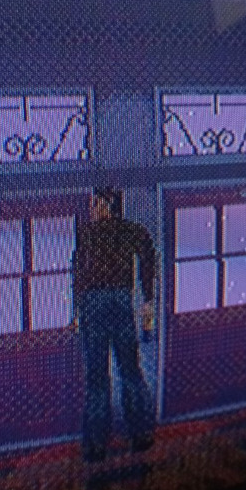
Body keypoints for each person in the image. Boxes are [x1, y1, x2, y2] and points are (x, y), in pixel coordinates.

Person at [72, 188, 157, 462]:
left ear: (106, 204)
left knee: (99, 376)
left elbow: (79, 275)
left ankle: (97, 445)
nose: (91, 209)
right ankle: (140, 435)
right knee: (129, 370)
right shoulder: (131, 230)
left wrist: (78, 310)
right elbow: (148, 259)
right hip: (118, 302)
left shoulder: (87, 233)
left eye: (95, 204)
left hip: (96, 304)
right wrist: (147, 298)